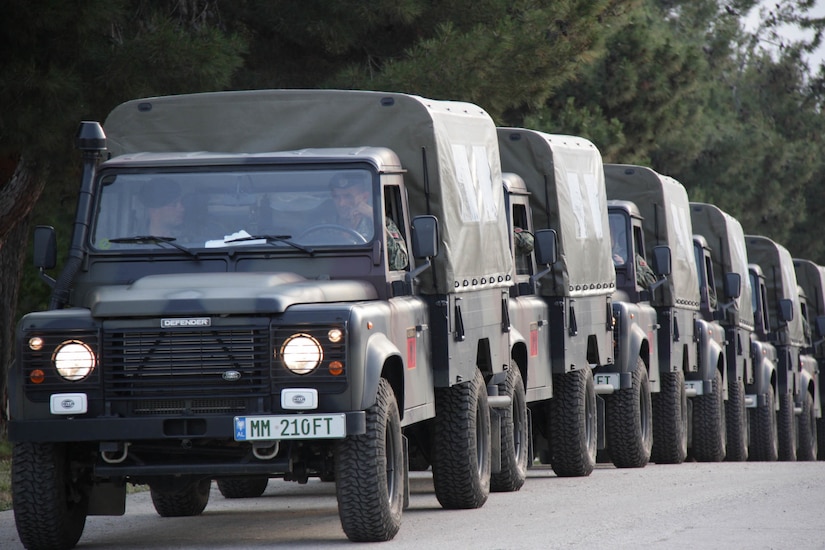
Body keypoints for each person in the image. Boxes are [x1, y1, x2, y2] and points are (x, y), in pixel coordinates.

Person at [327, 172, 408, 270]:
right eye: (336, 197)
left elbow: (400, 262)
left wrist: (375, 218)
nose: (341, 203)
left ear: (364, 197)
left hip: (368, 277)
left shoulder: (379, 223)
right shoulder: (324, 224)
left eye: (348, 196)